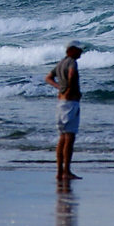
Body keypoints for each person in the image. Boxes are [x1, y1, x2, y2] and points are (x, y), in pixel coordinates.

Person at [45, 42, 84, 180]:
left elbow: (48, 77)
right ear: (71, 50)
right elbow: (72, 75)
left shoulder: (60, 63)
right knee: (69, 137)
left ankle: (60, 171)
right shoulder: (72, 62)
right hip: (70, 102)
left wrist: (59, 88)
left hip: (61, 102)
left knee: (62, 137)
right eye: (79, 50)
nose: (81, 52)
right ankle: (66, 171)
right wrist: (69, 90)